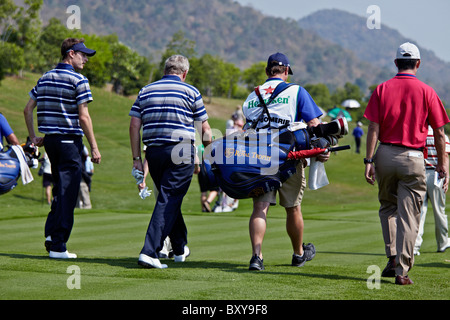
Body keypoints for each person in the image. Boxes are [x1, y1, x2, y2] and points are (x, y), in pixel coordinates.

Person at [364, 42, 449, 285]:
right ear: (418, 64)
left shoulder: (382, 89)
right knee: (409, 215)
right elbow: (440, 132)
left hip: (385, 154)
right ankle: (401, 270)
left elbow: (373, 127)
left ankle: (391, 256)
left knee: (388, 208)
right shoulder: (427, 91)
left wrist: (369, 160)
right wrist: (442, 163)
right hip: (414, 157)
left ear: (396, 63)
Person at [242, 52, 329, 271]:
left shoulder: (252, 96)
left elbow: (249, 127)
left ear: (266, 71)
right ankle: (299, 254)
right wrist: (322, 148)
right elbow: (315, 125)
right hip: (289, 157)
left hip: (260, 157)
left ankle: (256, 257)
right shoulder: (296, 91)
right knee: (293, 208)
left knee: (260, 208)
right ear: (287, 71)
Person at [129, 54, 212, 269]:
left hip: (154, 152)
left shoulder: (145, 90)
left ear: (165, 70)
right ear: (184, 73)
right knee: (168, 199)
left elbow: (134, 125)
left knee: (168, 197)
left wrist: (137, 158)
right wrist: (207, 155)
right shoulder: (191, 91)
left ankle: (180, 246)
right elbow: (205, 131)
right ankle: (150, 251)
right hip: (181, 150)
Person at [24, 38, 101, 259]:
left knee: (59, 189)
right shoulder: (79, 80)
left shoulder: (45, 77)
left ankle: (51, 235)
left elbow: (27, 109)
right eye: (82, 54)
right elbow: (84, 117)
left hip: (51, 142)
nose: (85, 59)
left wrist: (33, 137)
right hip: (69, 142)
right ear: (70, 54)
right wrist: (94, 147)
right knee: (68, 193)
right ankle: (58, 246)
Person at [414, 126, 450, 255]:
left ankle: (415, 246)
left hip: (420, 174)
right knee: (439, 211)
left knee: (419, 212)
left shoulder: (418, 133)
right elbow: (445, 156)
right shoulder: (441, 135)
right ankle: (442, 242)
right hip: (436, 175)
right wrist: (448, 176)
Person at [77, 145, 93, 209]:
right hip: (81, 176)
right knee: (83, 194)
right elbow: (86, 154)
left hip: (78, 175)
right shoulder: (81, 146)